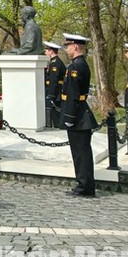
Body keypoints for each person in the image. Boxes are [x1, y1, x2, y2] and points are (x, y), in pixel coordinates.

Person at [61, 33, 97, 197]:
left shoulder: (75, 66)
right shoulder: (79, 64)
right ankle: (84, 185)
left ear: (75, 46)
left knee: (80, 153)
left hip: (78, 116)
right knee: (81, 152)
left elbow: (73, 95)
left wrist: (69, 117)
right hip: (81, 113)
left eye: (68, 46)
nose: (67, 49)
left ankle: (85, 187)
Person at [43, 41, 66, 129]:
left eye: (47, 50)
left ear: (51, 51)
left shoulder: (55, 63)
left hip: (56, 92)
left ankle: (57, 127)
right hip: (54, 90)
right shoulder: (52, 62)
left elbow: (54, 80)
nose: (45, 52)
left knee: (55, 112)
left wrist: (51, 95)